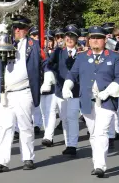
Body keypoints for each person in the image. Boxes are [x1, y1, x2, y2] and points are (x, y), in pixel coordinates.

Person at [0, 15, 48, 173]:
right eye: (15, 27)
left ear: (27, 30)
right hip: (6, 92)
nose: (17, 30)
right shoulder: (5, 41)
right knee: (5, 127)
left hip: (24, 91)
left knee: (25, 126)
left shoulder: (33, 45)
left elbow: (44, 61)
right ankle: (2, 161)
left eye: (21, 28)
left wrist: (47, 76)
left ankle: (28, 158)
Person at [63, 26, 119, 178]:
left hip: (107, 100)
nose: (95, 41)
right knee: (93, 133)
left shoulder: (114, 56)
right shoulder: (82, 56)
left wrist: (109, 90)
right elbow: (73, 74)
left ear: (105, 40)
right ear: (89, 40)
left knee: (101, 132)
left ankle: (100, 165)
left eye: (98, 38)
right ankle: (96, 161)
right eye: (92, 38)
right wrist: (67, 86)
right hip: (87, 100)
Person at [43, 25, 80, 155]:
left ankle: (72, 145)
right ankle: (68, 143)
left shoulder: (82, 53)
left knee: (72, 117)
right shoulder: (59, 52)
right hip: (60, 90)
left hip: (76, 90)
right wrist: (51, 74)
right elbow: (47, 63)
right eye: (67, 36)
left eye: (72, 36)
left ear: (76, 39)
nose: (69, 39)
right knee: (65, 118)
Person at [29, 26, 43, 135]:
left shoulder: (42, 47)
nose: (36, 37)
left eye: (38, 35)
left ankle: (37, 124)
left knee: (36, 103)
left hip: (39, 78)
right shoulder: (27, 47)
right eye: (34, 35)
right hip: (27, 79)